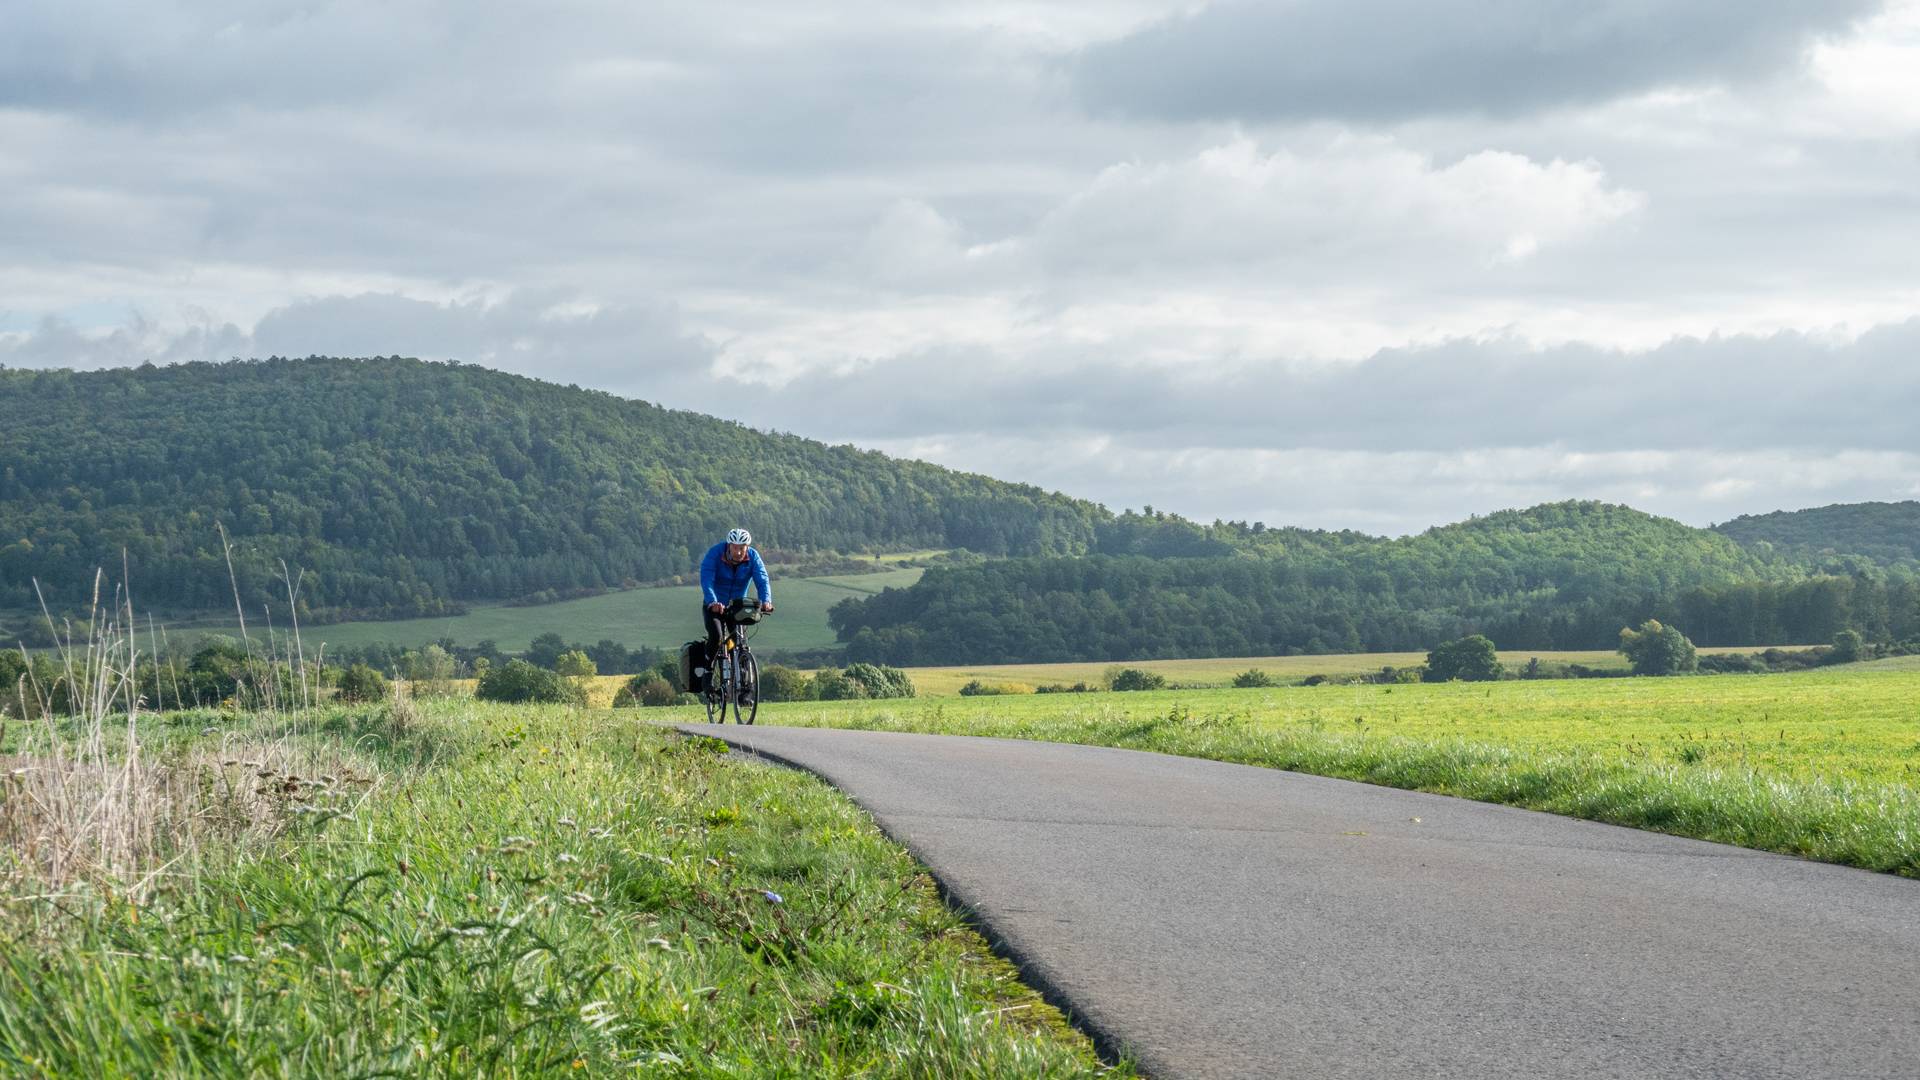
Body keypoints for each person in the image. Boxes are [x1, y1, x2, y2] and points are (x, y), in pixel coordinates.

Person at [697, 527, 773, 693]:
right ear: (729, 545)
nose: (738, 552)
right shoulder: (715, 553)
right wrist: (713, 601)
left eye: (742, 548)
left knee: (738, 643)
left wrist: (766, 601)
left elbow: (762, 579)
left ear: (747, 547)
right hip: (714, 605)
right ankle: (708, 672)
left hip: (736, 607)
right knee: (716, 637)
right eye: (735, 547)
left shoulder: (753, 557)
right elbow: (707, 579)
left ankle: (744, 690)